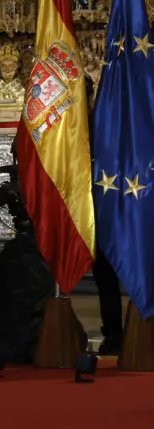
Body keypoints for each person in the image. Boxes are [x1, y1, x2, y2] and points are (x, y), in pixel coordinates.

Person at [85, 73, 123, 354]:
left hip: (112, 207)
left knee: (110, 274)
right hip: (88, 209)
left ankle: (120, 333)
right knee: (105, 277)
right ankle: (114, 333)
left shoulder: (107, 123)